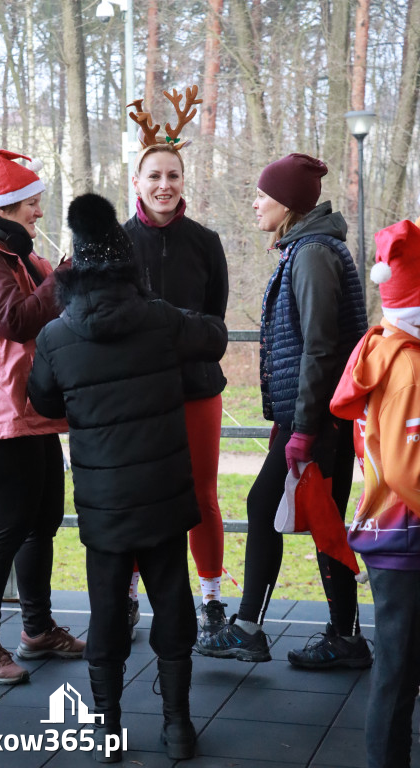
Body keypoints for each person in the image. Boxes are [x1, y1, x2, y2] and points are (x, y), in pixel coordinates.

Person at [28, 193, 228, 762]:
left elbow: (41, 401)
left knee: (108, 608)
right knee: (173, 602)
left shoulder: (56, 337)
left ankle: (108, 729)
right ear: (126, 263)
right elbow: (212, 336)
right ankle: (178, 727)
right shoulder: (161, 320)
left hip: (104, 504)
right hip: (165, 497)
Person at [196, 152, 372, 667]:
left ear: (289, 204)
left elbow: (320, 347)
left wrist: (303, 427)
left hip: (317, 419)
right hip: (316, 416)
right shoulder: (306, 249)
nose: (254, 203)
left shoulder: (314, 253)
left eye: (263, 195)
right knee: (323, 519)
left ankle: (250, 629)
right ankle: (345, 637)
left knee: (263, 505)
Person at [0, 149, 84, 685]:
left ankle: (36, 629)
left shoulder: (25, 258)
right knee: (3, 532)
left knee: (42, 528)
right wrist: (66, 275)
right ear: (6, 207)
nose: (38, 211)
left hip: (37, 413)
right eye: (31, 202)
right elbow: (14, 319)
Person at [124, 87, 229, 639]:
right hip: (139, 396)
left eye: (174, 176)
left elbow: (215, 327)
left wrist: (174, 333)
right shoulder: (116, 246)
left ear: (183, 182)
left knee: (203, 493)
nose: (165, 185)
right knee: (144, 494)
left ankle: (211, 597)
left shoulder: (206, 243)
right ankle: (131, 594)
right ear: (137, 184)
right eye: (154, 176)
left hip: (197, 390)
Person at [331, 218, 420, 768]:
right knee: (396, 668)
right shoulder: (409, 367)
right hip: (405, 535)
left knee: (401, 662)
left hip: (394, 532)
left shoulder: (381, 344)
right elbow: (408, 466)